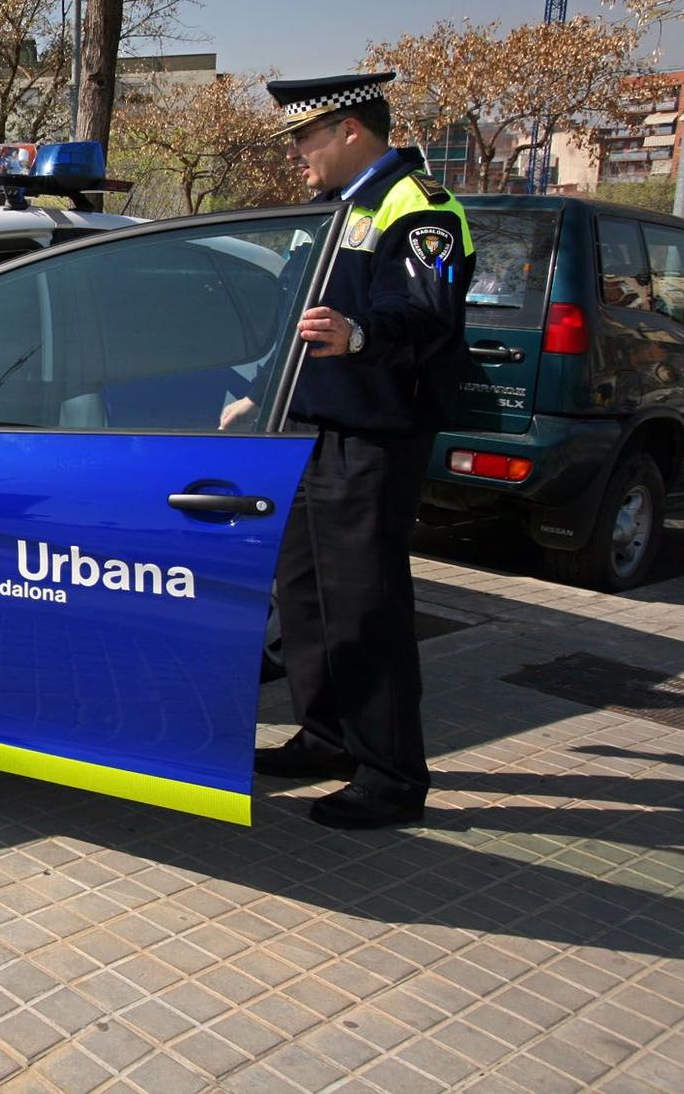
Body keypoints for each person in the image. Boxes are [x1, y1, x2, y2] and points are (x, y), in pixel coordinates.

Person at [222, 71, 474, 830]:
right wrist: (259, 393)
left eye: (305, 137)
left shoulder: (419, 206)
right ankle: (327, 733)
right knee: (304, 598)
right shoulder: (332, 209)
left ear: (351, 131)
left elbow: (428, 315)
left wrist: (361, 337)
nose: (297, 153)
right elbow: (294, 320)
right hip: (305, 427)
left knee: (366, 605)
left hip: (371, 436)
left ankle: (392, 774)